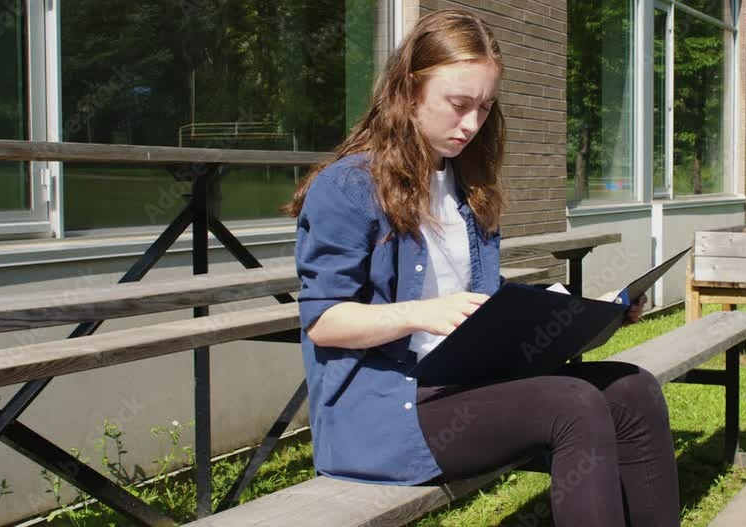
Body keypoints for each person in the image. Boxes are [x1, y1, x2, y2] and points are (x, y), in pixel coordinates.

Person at [284, 9, 680, 527]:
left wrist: (581, 314)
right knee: (574, 404)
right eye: (458, 104)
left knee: (633, 388)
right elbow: (324, 322)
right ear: (408, 89)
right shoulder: (347, 187)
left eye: (485, 107)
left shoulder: (468, 186)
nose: (472, 124)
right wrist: (421, 314)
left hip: (462, 384)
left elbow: (481, 301)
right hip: (386, 412)